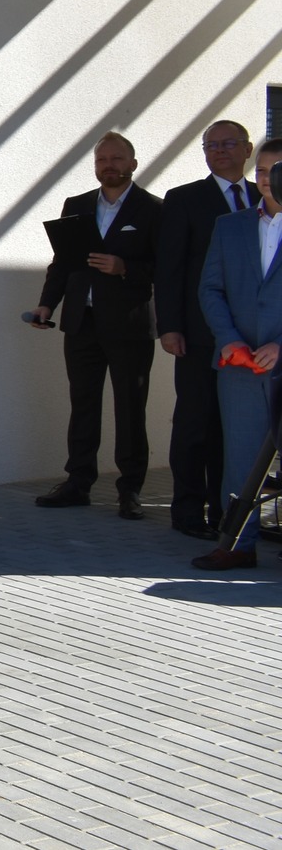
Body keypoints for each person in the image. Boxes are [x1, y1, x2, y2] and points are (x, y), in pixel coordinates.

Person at [29, 132, 161, 517]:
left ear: (133, 164)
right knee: (83, 404)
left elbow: (165, 267)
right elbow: (63, 262)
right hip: (81, 322)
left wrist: (125, 268)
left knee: (130, 408)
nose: (109, 165)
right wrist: (47, 304)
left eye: (117, 158)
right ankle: (77, 482)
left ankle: (130, 490)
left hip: (129, 325)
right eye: (102, 159)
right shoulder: (78, 205)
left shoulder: (153, 209)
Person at [155, 121, 257, 540]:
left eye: (228, 143)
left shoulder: (265, 197)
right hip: (197, 334)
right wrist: (170, 326)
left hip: (250, 336)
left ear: (247, 149)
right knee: (195, 423)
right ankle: (186, 510)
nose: (219, 151)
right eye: (211, 145)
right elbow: (169, 267)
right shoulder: (184, 199)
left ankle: (225, 511)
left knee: (233, 427)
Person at [191, 136, 282, 571]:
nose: (266, 179)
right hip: (240, 365)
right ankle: (237, 544)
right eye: (261, 170)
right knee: (241, 458)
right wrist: (228, 339)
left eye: (276, 171)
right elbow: (210, 289)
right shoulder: (230, 226)